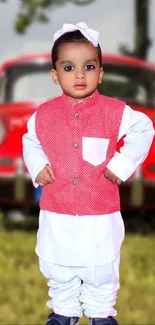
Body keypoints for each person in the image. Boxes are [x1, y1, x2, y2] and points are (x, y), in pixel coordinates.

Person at [22, 22, 154, 325]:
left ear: (101, 73)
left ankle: (100, 312)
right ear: (55, 76)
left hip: (99, 210)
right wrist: (38, 165)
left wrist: (121, 164)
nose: (79, 75)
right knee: (59, 264)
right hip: (58, 208)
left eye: (89, 66)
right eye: (69, 67)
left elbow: (143, 129)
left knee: (101, 268)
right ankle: (64, 310)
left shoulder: (114, 111)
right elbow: (30, 139)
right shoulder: (43, 114)